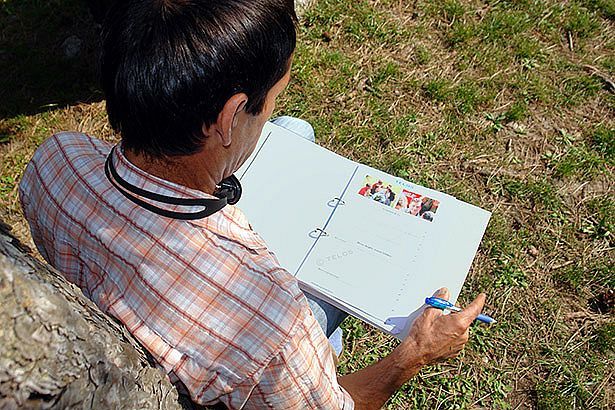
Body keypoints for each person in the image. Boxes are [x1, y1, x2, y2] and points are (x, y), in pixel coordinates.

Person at [19, 1, 486, 408]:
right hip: (245, 337)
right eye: (267, 104)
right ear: (228, 117)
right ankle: (331, 345)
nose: (265, 119)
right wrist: (416, 352)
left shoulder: (54, 161)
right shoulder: (273, 328)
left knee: (293, 132)